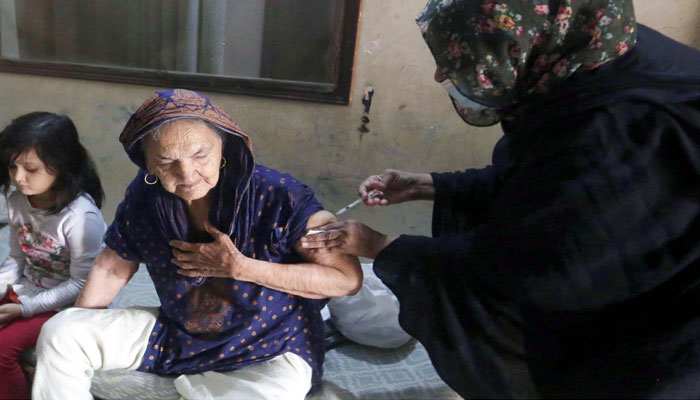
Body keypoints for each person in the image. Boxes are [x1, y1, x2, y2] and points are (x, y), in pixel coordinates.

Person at [302, 0, 700, 398]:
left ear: (520, 46)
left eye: (458, 61)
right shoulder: (592, 50)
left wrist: (382, 247)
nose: (442, 74)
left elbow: (528, 267)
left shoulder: (617, 132)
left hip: (657, 344)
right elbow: (541, 185)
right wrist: (432, 185)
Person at [32, 89, 361, 400]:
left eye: (199, 154)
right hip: (179, 334)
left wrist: (240, 267)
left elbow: (345, 278)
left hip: (270, 345)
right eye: (166, 161)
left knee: (275, 391)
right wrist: (87, 322)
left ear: (223, 147)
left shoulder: (279, 195)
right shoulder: (146, 196)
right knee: (63, 331)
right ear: (146, 163)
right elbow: (113, 264)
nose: (187, 173)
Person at [0, 112, 106, 399]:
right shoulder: (17, 201)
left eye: (30, 169)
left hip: (68, 307)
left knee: (1, 349)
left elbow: (81, 286)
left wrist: (26, 308)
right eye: (13, 167)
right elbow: (17, 259)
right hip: (29, 291)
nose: (19, 178)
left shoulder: (81, 217)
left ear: (60, 167)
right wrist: (2, 284)